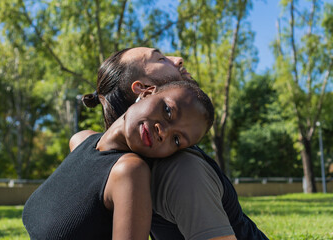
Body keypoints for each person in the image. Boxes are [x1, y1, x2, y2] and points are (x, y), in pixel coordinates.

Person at [78, 47, 269, 240]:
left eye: (177, 140)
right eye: (160, 59)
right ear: (144, 90)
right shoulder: (181, 169)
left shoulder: (114, 163)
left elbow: (81, 139)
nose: (178, 60)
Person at [22, 80, 215, 240]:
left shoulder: (129, 172)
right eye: (168, 111)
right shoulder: (82, 141)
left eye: (176, 139)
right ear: (147, 93)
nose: (163, 132)